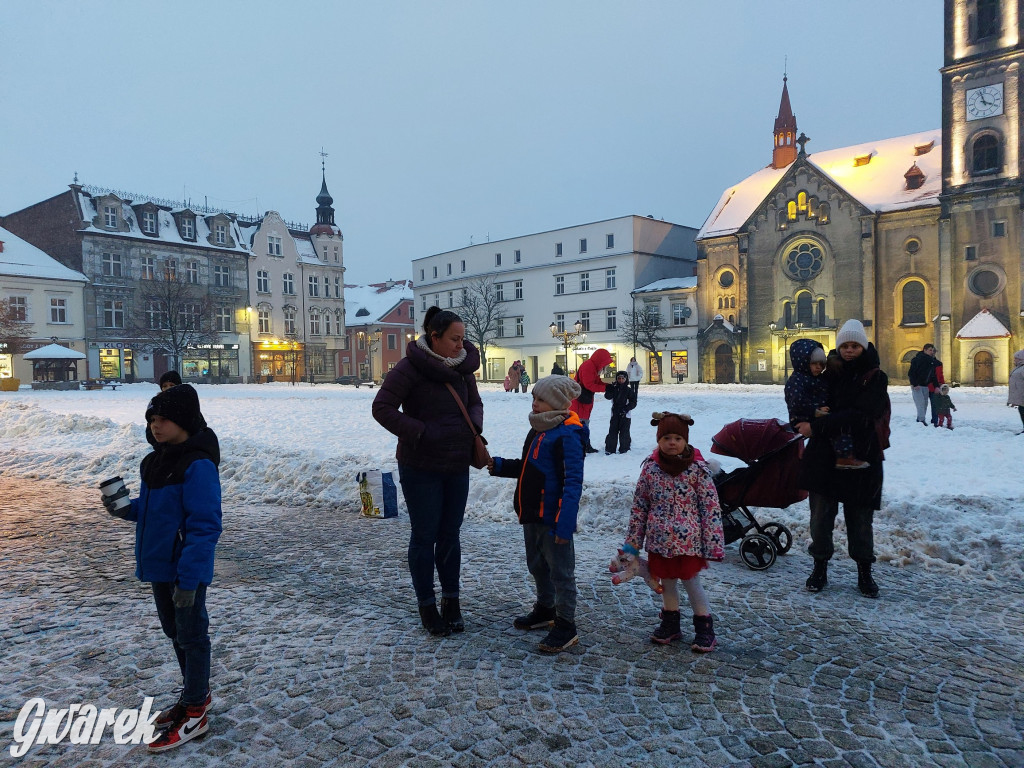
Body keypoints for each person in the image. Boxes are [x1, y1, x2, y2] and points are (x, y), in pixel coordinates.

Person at [103, 384, 222, 753]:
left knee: (191, 634)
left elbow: (204, 525)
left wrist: (190, 580)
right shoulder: (158, 461)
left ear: (183, 421)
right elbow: (158, 510)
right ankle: (192, 695)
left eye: (164, 419)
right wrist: (128, 509)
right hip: (159, 566)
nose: (156, 426)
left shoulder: (197, 464)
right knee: (174, 631)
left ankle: (196, 708)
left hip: (185, 571)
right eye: (152, 419)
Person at [372, 307, 482, 636]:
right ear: (434, 337)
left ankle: (452, 601)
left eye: (463, 338)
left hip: (456, 463)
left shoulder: (463, 369)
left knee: (450, 535)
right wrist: (420, 432)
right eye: (454, 338)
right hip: (420, 465)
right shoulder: (410, 368)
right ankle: (427, 605)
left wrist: (474, 424)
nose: (460, 345)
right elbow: (382, 408)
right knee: (424, 536)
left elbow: (475, 402)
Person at [488, 375, 586, 653]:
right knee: (537, 565)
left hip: (553, 519)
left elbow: (572, 482)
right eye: (533, 398)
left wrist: (564, 525)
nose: (534, 403)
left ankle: (566, 624)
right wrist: (498, 465)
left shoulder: (567, 433)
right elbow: (528, 467)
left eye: (540, 399)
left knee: (561, 573)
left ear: (555, 403)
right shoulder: (539, 429)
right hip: (531, 514)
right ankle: (546, 608)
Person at [796, 319, 889, 599]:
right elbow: (804, 399)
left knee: (860, 520)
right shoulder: (827, 373)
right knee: (821, 518)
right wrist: (801, 419)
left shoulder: (875, 376)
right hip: (824, 457)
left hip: (861, 456)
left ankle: (864, 571)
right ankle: (819, 567)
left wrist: (818, 425)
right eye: (845, 345)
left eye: (855, 345)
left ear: (863, 346)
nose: (849, 350)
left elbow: (862, 416)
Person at [622, 413, 724, 652]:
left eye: (678, 437)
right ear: (658, 440)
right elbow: (640, 507)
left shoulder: (698, 471)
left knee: (691, 583)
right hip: (658, 541)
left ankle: (704, 627)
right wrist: (632, 544)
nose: (672, 442)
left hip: (688, 543)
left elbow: (710, 508)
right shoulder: (650, 469)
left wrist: (713, 543)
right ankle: (671, 622)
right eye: (666, 437)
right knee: (666, 583)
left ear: (686, 440)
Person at [570, 348, 612, 453]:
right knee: (580, 423)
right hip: (580, 401)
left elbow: (597, 382)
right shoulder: (588, 366)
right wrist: (606, 388)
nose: (605, 367)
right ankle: (581, 446)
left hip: (584, 400)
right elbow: (589, 385)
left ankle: (585, 445)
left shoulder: (593, 367)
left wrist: (608, 385)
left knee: (584, 423)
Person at [604, 370, 637, 454]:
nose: (621, 380)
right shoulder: (614, 388)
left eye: (623, 378)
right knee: (613, 431)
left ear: (626, 379)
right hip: (615, 412)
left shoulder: (629, 390)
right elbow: (607, 396)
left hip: (625, 413)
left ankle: (624, 448)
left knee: (624, 432)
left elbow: (633, 402)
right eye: (619, 378)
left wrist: (626, 409)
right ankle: (610, 449)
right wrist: (610, 388)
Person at [907, 344, 938, 425]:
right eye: (930, 350)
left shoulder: (932, 361)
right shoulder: (917, 359)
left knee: (925, 404)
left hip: (926, 385)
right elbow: (911, 373)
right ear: (925, 350)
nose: (931, 352)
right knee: (920, 403)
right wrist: (915, 384)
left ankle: (920, 419)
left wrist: (936, 386)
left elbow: (933, 375)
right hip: (917, 385)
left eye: (932, 350)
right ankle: (921, 420)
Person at [1009, 349, 1024, 435]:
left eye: (1016, 358)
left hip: (1023, 395)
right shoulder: (1019, 368)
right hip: (1020, 396)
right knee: (1021, 410)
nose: (1014, 360)